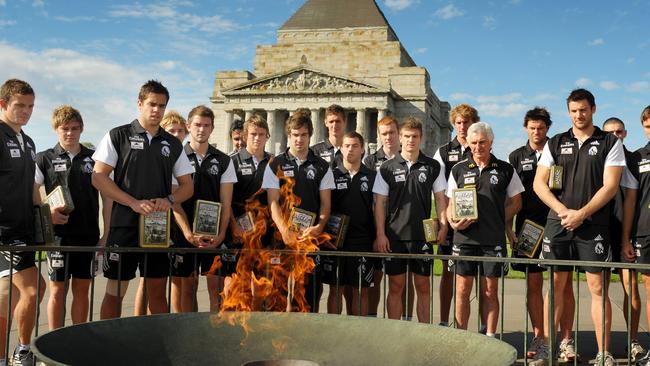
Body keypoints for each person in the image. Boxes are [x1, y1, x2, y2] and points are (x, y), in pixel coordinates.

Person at [531, 89, 625, 366]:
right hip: (558, 223)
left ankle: (603, 353)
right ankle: (548, 347)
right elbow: (539, 183)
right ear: (568, 112)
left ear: (593, 109)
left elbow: (610, 186)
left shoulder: (609, 142)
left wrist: (582, 214)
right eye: (573, 110)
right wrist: (563, 211)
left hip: (592, 224)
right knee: (556, 286)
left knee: (597, 288)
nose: (578, 115)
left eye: (583, 110)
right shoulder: (556, 142)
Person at [92, 80, 194, 319]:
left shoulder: (172, 144)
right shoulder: (118, 135)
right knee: (115, 292)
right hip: (123, 227)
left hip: (157, 230)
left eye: (162, 106)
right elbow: (98, 178)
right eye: (152, 104)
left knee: (157, 294)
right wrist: (132, 202)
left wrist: (168, 200)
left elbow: (188, 187)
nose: (157, 110)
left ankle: (158, 350)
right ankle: (109, 347)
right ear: (140, 104)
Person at [509, 107, 577, 359]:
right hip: (528, 226)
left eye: (541, 127)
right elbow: (512, 196)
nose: (537, 132)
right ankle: (540, 337)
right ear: (526, 128)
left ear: (548, 128)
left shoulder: (559, 149)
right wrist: (509, 228)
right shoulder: (516, 156)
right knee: (534, 283)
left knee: (563, 282)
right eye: (532, 127)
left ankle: (566, 340)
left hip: (557, 222)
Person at [34, 105, 110, 330]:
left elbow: (108, 198)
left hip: (87, 236)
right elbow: (32, 193)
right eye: (65, 128)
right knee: (57, 291)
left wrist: (105, 235)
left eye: (75, 128)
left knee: (82, 290)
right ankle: (53, 343)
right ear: (56, 129)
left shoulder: (94, 159)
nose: (70, 133)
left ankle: (78, 341)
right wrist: (47, 214)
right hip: (57, 238)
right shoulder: (44, 158)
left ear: (82, 129)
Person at [447, 122, 523, 337]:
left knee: (490, 291)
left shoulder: (505, 169)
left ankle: (489, 336)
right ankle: (461, 336)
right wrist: (453, 223)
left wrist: (499, 219)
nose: (478, 147)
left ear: (491, 142)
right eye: (473, 143)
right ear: (468, 143)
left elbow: (516, 202)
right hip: (464, 239)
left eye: (482, 142)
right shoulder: (458, 169)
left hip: (493, 240)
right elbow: (450, 202)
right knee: (462, 291)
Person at [373, 117, 448, 323]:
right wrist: (380, 234)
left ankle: (424, 333)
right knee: (396, 286)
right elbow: (379, 204)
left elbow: (441, 199)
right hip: (395, 236)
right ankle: (396, 333)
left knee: (423, 287)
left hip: (423, 236)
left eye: (415, 136)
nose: (410, 140)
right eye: (406, 136)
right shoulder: (387, 168)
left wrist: (444, 225)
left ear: (421, 138)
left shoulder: (433, 166)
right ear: (400, 138)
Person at [262, 112, 335, 312]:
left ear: (310, 135)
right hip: (281, 238)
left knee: (308, 295)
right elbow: (273, 202)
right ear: (289, 135)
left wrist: (319, 228)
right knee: (278, 293)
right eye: (295, 134)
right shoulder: (275, 164)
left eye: (303, 135)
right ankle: (278, 339)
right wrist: (285, 231)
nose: (299, 139)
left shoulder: (322, 166)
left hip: (309, 239)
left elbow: (325, 204)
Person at [171, 105, 236, 312]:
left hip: (214, 236)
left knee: (216, 290)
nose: (201, 129)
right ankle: (191, 337)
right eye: (197, 125)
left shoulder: (224, 160)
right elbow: (174, 201)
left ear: (212, 128)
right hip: (184, 235)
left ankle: (215, 336)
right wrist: (188, 233)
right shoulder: (175, 157)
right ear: (189, 126)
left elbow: (226, 202)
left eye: (206, 125)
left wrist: (222, 234)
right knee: (187, 289)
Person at [0, 79, 46, 366]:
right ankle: (23, 352)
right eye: (20, 106)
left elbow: (31, 187)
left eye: (30, 106)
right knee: (33, 289)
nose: (26, 111)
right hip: (5, 233)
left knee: (7, 295)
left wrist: (45, 216)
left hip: (24, 230)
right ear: (3, 104)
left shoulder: (28, 141)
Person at [134, 110, 189, 315]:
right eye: (171, 130)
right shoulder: (160, 156)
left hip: (174, 229)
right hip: (160, 226)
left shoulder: (179, 156)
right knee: (147, 283)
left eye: (180, 130)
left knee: (175, 282)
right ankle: (140, 325)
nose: (176, 134)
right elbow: (174, 203)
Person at [602, 117, 644, 361]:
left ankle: (633, 341)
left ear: (625, 133)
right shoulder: (600, 156)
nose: (615, 136)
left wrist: (627, 238)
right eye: (610, 133)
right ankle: (604, 347)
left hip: (628, 232)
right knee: (601, 291)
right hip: (603, 232)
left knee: (632, 288)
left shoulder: (634, 159)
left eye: (619, 132)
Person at [433, 103, 478, 327]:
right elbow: (439, 191)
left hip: (475, 222)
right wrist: (447, 220)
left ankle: (479, 324)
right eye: (458, 122)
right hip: (451, 222)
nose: (462, 126)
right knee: (448, 274)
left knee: (476, 274)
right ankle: (443, 320)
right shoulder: (442, 152)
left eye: (466, 122)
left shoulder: (481, 147)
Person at [323, 131, 376, 315]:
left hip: (362, 241)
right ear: (341, 149)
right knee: (335, 289)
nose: (350, 150)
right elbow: (324, 207)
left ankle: (358, 336)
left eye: (354, 146)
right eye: (346, 146)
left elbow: (378, 209)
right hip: (335, 242)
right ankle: (334, 332)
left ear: (362, 149)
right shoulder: (331, 175)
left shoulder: (372, 176)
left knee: (360, 291)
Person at [621, 106, 650, 365]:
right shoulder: (638, 157)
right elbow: (631, 201)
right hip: (645, 232)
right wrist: (627, 236)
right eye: (649, 126)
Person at [363, 116, 400, 318]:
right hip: (375, 226)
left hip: (399, 227)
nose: (388, 137)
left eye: (391, 132)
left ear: (398, 133)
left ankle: (405, 320)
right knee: (375, 276)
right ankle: (372, 317)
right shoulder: (369, 161)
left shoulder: (407, 159)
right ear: (379, 135)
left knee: (401, 280)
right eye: (384, 133)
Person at [311, 104, 346, 169]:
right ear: (326, 123)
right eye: (331, 122)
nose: (334, 125)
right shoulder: (314, 151)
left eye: (338, 121)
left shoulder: (351, 149)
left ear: (344, 122)